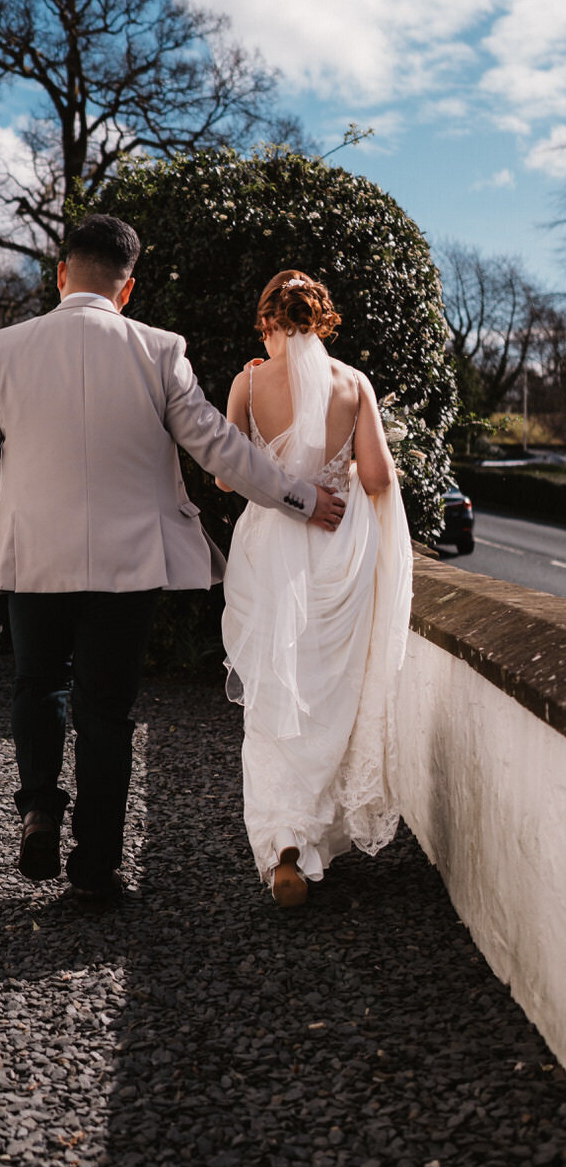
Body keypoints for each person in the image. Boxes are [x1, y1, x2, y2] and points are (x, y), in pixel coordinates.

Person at [0, 215, 346, 910]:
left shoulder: (1, 350)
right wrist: (301, 497)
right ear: (127, 290)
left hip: (34, 558)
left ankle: (39, 806)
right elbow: (220, 448)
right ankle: (95, 867)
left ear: (63, 275)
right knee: (106, 714)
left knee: (37, 686)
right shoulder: (160, 350)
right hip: (130, 568)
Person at [219, 272, 413, 908]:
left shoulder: (248, 382)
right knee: (330, 699)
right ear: (323, 322)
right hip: (336, 556)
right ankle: (311, 839)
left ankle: (282, 842)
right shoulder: (353, 384)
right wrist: (345, 469)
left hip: (267, 556)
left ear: (268, 324)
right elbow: (380, 477)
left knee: (275, 697)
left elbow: (227, 477)